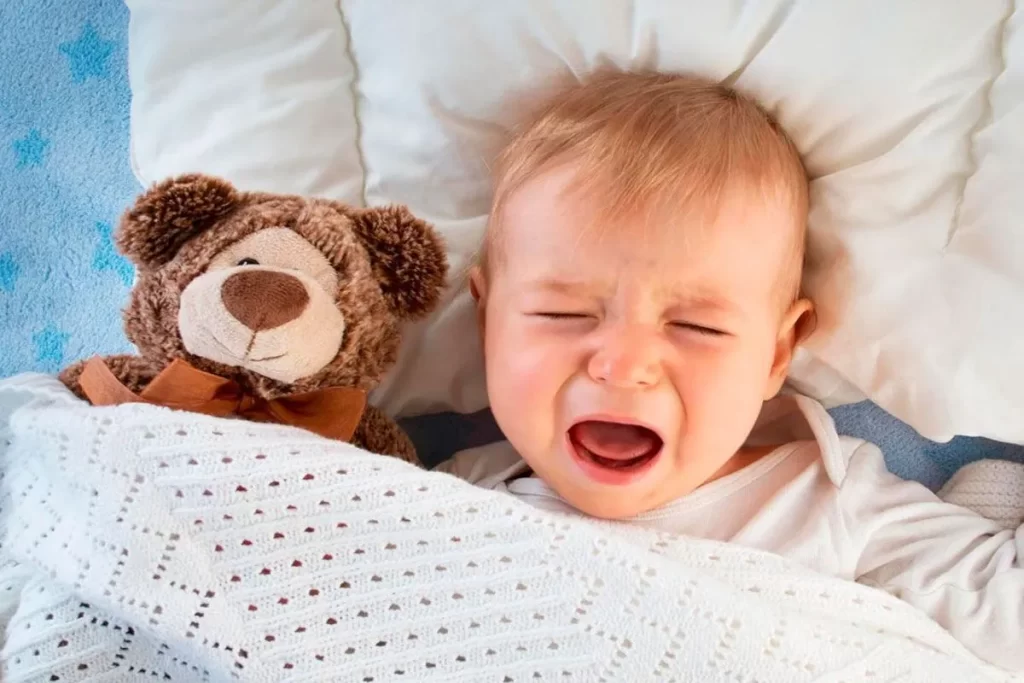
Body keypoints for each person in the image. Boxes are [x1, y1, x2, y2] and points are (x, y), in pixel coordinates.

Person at [435, 70, 1024, 671]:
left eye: (697, 327)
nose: (624, 365)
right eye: (562, 313)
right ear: (488, 322)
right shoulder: (444, 496)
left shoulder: (828, 501)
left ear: (775, 354)